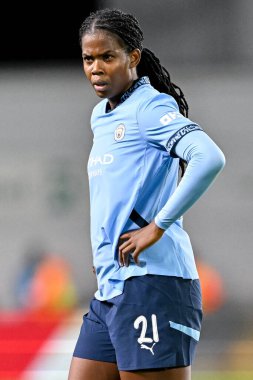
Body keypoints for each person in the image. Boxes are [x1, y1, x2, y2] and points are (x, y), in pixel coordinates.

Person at [68, 8, 225, 380]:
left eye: (107, 56)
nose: (95, 68)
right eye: (88, 59)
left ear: (132, 57)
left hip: (154, 284)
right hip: (111, 288)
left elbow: (209, 157)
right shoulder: (101, 115)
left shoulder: (150, 107)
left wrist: (157, 226)